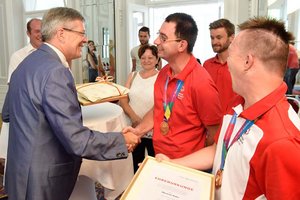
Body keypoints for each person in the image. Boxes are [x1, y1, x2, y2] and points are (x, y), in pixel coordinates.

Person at [2, 7, 139, 200]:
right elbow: (77, 140)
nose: (85, 39)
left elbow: (7, 113)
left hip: (20, 173)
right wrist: (121, 140)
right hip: (42, 181)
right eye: (81, 33)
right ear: (61, 34)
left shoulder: (25, 63)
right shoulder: (56, 71)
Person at [156, 17, 300, 199]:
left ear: (248, 62)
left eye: (231, 54)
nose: (227, 63)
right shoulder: (239, 105)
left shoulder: (282, 141)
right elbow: (218, 150)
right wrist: (173, 164)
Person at [124, 13, 222, 160]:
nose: (156, 41)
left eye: (163, 38)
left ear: (181, 45)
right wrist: (138, 131)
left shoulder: (201, 83)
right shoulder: (164, 73)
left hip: (186, 167)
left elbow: (214, 133)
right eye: (158, 36)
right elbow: (159, 108)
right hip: (161, 158)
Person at [120, 44, 159, 172]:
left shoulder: (161, 77)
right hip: (133, 126)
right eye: (143, 58)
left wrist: (145, 121)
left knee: (155, 162)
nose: (146, 61)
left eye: (150, 58)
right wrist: (134, 117)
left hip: (153, 128)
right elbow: (123, 99)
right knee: (135, 162)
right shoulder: (133, 75)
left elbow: (160, 102)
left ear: (157, 59)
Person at [203, 18, 237, 114]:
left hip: (233, 123)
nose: (214, 42)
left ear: (231, 38)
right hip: (210, 123)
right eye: (212, 38)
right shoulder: (206, 65)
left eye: (219, 37)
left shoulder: (240, 65)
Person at [7, 18, 42, 84]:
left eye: (43, 31)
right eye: (37, 31)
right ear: (28, 33)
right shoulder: (18, 56)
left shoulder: (52, 54)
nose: (41, 34)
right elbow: (13, 84)